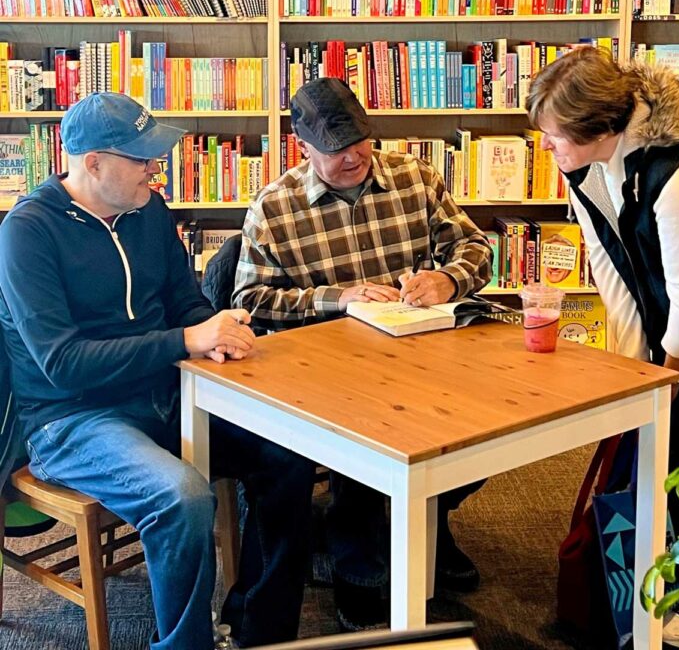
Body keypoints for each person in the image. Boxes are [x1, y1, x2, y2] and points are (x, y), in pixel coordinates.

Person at [0, 93, 317, 650]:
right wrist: (186, 340)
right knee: (182, 497)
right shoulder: (27, 231)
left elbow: (183, 302)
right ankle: (183, 645)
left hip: (169, 395)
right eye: (142, 157)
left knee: (289, 453)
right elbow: (63, 364)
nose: (156, 167)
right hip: (72, 420)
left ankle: (260, 631)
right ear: (93, 162)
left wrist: (218, 332)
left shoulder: (149, 211)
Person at [526, 46, 679, 648]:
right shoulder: (586, 163)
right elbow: (611, 266)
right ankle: (659, 587)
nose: (548, 149)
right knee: (670, 449)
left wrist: (672, 371)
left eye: (555, 137)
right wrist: (637, 371)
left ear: (599, 128)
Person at [232, 77, 493, 631]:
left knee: (494, 428)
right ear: (302, 147)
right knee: (365, 440)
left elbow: (474, 245)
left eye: (361, 142)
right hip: (329, 371)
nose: (353, 158)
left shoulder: (414, 177)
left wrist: (447, 280)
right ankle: (362, 571)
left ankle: (426, 517)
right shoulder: (275, 206)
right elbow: (249, 299)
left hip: (421, 351)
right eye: (335, 148)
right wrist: (338, 298)